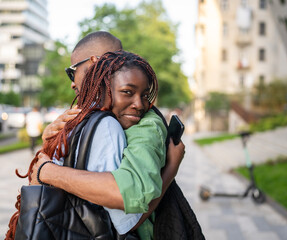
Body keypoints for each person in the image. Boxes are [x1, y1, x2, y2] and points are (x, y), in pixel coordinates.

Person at [36, 32, 185, 238]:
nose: (72, 83)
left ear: (96, 64)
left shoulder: (133, 123)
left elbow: (127, 207)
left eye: (72, 72)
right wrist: (49, 142)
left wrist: (48, 171)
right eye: (127, 92)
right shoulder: (87, 117)